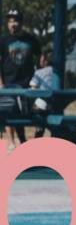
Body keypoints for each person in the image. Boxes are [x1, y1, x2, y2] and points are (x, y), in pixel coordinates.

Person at [0, 10, 42, 150]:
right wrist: (1, 83)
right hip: (9, 83)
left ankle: (25, 142)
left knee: (25, 114)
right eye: (10, 21)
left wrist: (39, 77)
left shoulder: (30, 39)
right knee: (8, 112)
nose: (13, 24)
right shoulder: (3, 40)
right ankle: (12, 143)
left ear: (22, 23)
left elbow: (41, 56)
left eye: (16, 21)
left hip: (27, 83)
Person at [29, 50, 59, 138]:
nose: (40, 62)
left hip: (42, 105)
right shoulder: (58, 71)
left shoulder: (39, 72)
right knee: (55, 129)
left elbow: (33, 86)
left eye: (41, 60)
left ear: (45, 61)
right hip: (55, 104)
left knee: (39, 127)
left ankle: (38, 136)